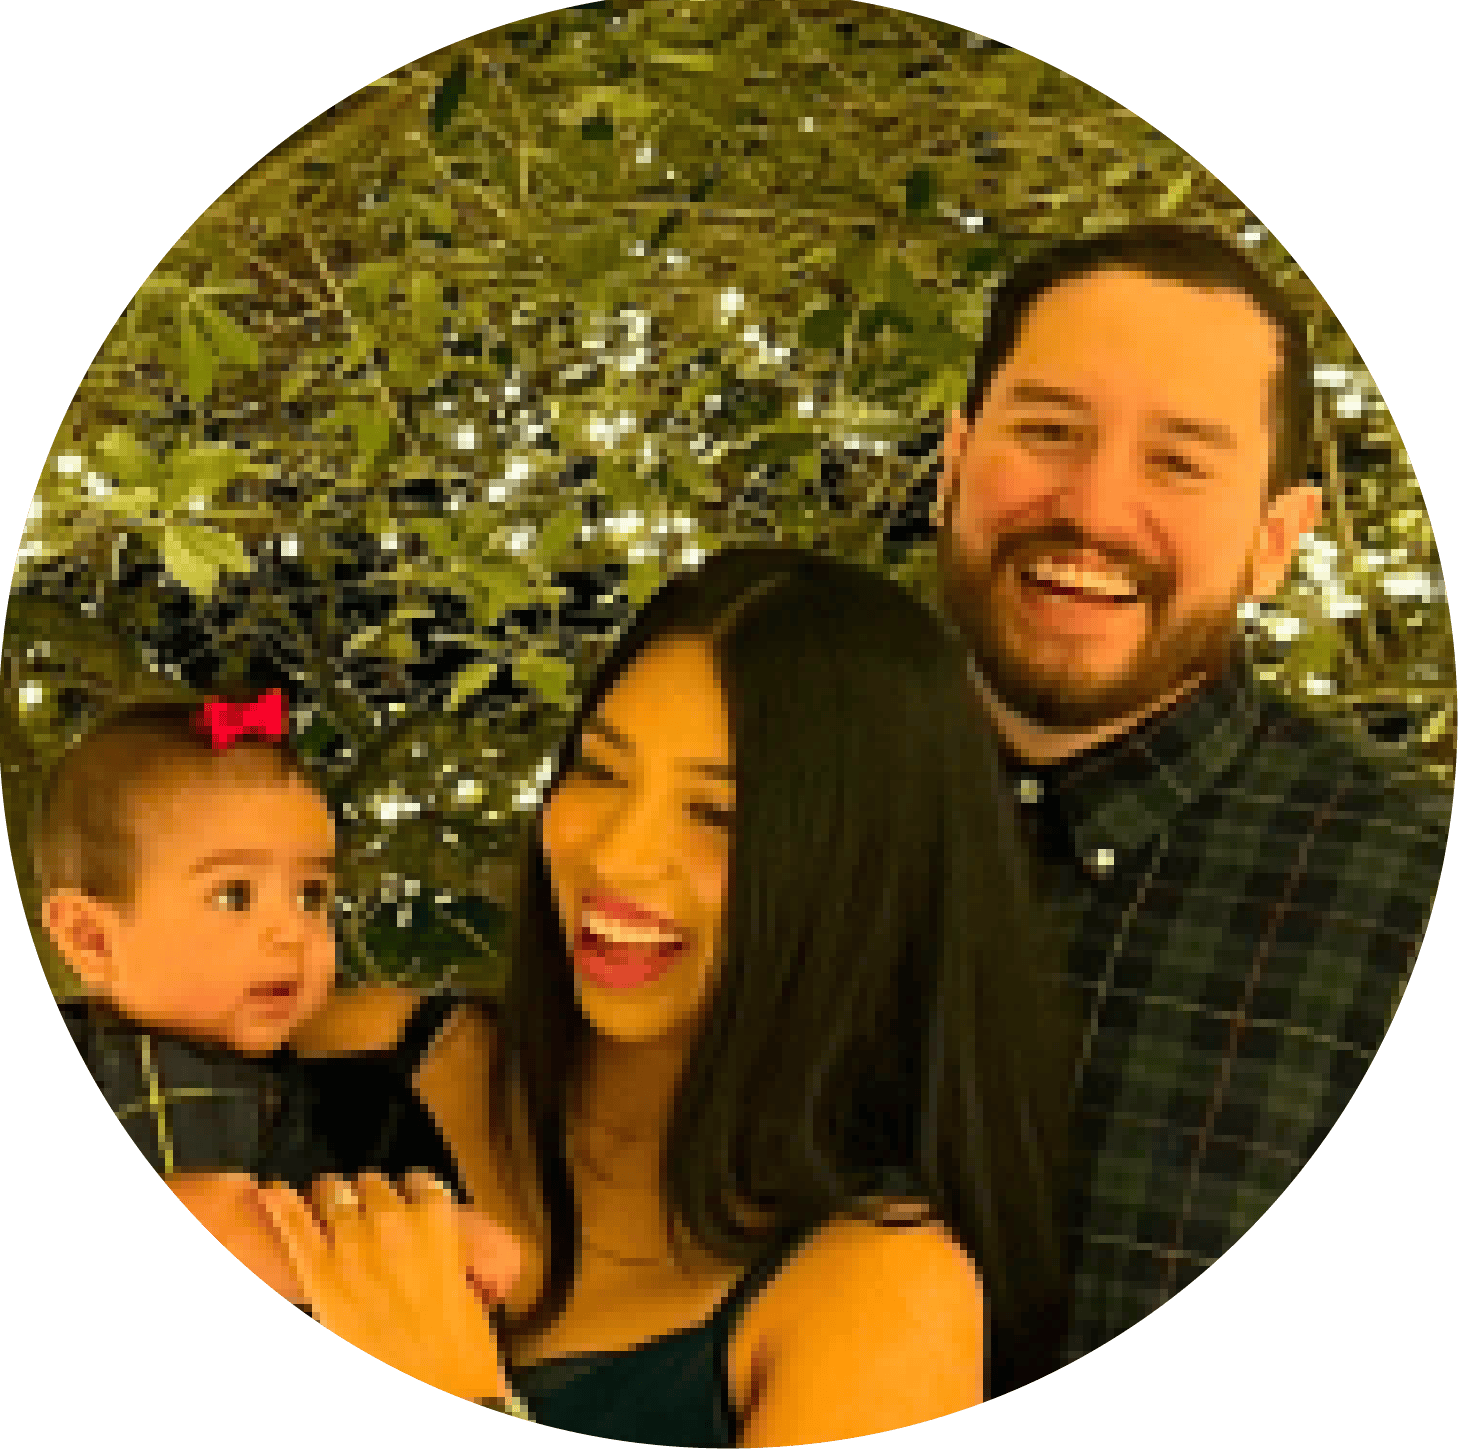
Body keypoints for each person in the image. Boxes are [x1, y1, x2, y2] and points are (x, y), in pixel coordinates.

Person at [260, 546, 1075, 1443]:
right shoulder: (355, 1053)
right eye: (600, 772)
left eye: (717, 814)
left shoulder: (879, 1292)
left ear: (862, 879)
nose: (615, 855)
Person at [934, 223, 1452, 1377]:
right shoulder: (763, 800)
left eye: (1178, 461)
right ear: (953, 461)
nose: (1095, 509)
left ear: (1276, 541)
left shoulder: (1412, 905)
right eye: (1049, 431)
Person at [38, 693, 518, 1308]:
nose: (292, 931)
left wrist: (446, 1244)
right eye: (234, 896)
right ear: (91, 938)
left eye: (312, 895)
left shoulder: (361, 1109)